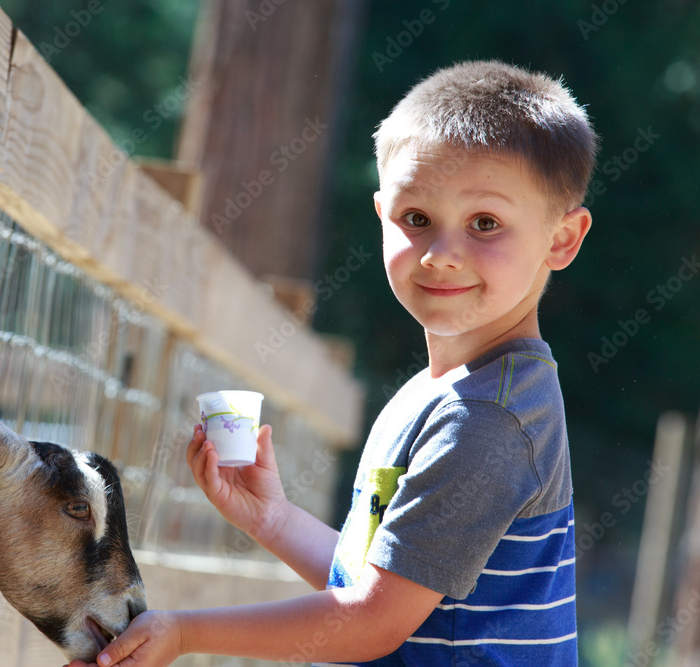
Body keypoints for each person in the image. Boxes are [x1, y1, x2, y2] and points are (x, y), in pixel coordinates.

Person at [66, 59, 597, 666]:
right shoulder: (437, 392)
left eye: (485, 223)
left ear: (562, 239)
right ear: (382, 214)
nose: (441, 255)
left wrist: (185, 632)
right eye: (416, 219)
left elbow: (373, 621)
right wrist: (273, 519)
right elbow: (379, 582)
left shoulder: (486, 418)